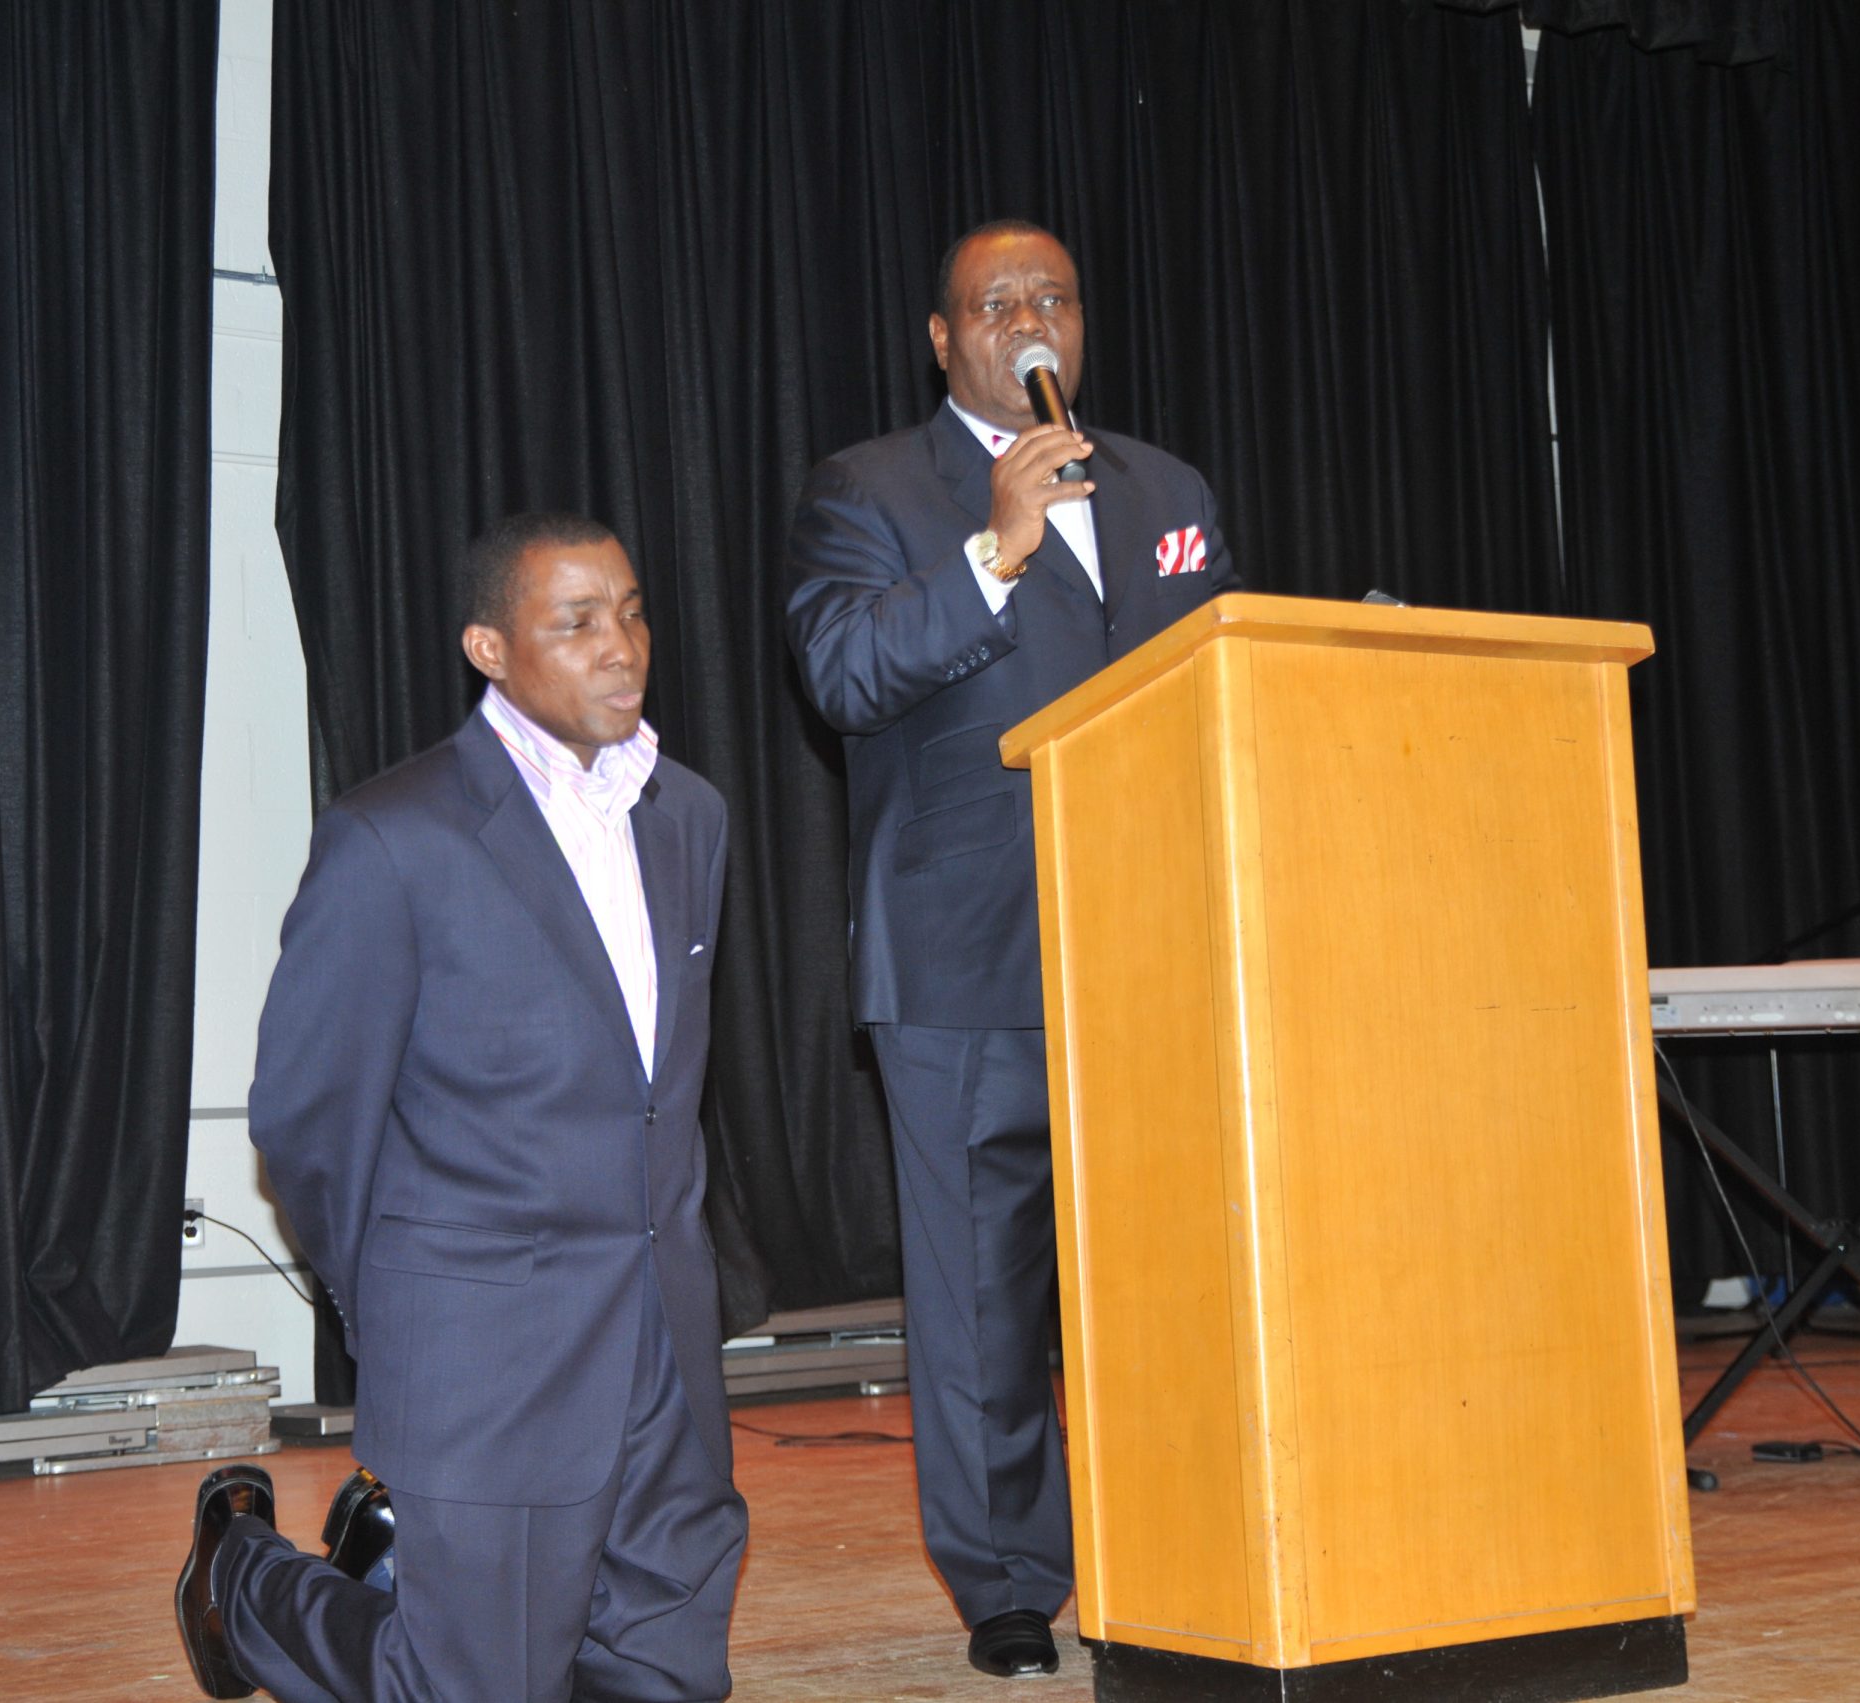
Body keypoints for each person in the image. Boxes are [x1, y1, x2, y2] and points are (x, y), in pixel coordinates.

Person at [176, 513, 746, 1702]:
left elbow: (658, 1093)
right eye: (575, 622)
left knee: (666, 1673)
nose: (620, 646)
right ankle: (243, 1576)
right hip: (490, 1349)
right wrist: (406, 1302)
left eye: (631, 611)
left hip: (663, 1333)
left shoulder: (689, 815)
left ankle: (396, 1566)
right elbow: (308, 1119)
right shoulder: (393, 836)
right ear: (489, 647)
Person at [783, 220, 1240, 1678]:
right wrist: (997, 545)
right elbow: (844, 672)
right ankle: (1007, 1576)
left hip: (1158, 944)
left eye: (1054, 296)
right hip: (963, 953)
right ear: (943, 338)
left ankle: (1176, 1537)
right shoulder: (872, 487)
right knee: (981, 1291)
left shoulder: (1169, 490)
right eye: (997, 302)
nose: (1030, 318)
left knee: (1170, 1271)